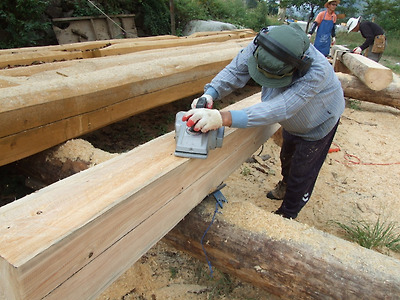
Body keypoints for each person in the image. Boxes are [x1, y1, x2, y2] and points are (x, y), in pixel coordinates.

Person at [182, 23, 345, 219]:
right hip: (292, 123)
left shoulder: (317, 71)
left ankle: (288, 213)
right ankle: (285, 184)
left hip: (318, 121)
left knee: (303, 170)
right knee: (287, 155)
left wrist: (223, 117)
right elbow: (236, 70)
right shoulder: (266, 40)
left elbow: (281, 107)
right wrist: (210, 93)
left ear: (298, 64)